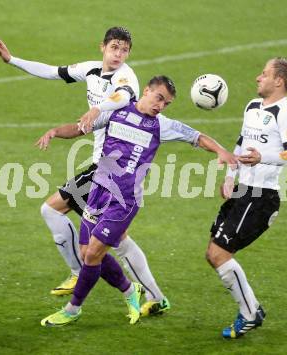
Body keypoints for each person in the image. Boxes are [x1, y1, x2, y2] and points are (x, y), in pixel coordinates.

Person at [0, 27, 170, 316]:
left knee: (55, 213)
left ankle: (82, 274)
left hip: (109, 167)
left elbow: (123, 97)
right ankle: (153, 295)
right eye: (114, 47)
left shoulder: (127, 78)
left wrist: (97, 110)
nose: (118, 54)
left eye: (124, 50)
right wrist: (12, 60)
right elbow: (52, 71)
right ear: (102, 47)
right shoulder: (90, 70)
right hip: (105, 167)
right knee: (115, 239)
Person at [36, 75, 238, 326]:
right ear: (146, 91)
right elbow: (80, 127)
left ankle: (72, 309)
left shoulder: (161, 125)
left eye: (166, 103)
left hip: (124, 202)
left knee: (92, 255)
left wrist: (221, 151)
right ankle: (131, 291)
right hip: (98, 191)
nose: (161, 106)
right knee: (87, 251)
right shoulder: (116, 112)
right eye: (159, 98)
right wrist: (55, 131)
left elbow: (197, 136)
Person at [206, 57, 287, 339]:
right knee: (213, 253)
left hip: (261, 197)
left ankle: (250, 313)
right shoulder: (252, 107)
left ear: (279, 81)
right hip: (241, 192)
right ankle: (252, 310)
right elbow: (241, 142)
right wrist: (230, 177)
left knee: (219, 253)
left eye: (264, 74)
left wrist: (264, 157)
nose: (258, 78)